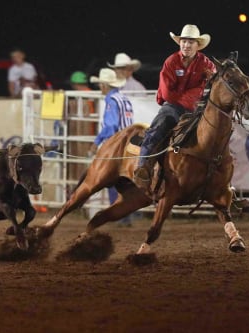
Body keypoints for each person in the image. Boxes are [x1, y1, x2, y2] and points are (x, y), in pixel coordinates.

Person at [133, 24, 215, 187]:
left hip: (195, 109)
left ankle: (220, 179)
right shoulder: (171, 62)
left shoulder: (206, 64)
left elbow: (211, 83)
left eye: (190, 42)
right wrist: (192, 95)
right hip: (174, 106)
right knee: (157, 128)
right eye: (184, 41)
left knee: (215, 132)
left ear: (197, 45)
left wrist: (196, 92)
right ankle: (142, 166)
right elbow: (167, 93)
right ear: (179, 43)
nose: (186, 45)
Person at [89, 68, 135, 225]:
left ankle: (118, 215)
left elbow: (111, 126)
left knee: (110, 179)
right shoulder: (124, 99)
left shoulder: (111, 100)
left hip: (118, 145)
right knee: (125, 181)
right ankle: (126, 216)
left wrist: (97, 142)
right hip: (130, 145)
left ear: (104, 85)